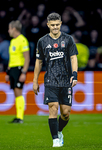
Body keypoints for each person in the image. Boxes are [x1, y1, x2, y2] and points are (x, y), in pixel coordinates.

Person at [33, 12, 78, 147]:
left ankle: (59, 131)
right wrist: (35, 81)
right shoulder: (42, 41)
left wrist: (74, 74)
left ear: (61, 24)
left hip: (66, 81)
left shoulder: (68, 39)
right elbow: (39, 62)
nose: (55, 27)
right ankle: (55, 140)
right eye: (52, 25)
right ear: (48, 25)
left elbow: (73, 57)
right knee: (53, 107)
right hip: (50, 80)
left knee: (65, 114)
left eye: (57, 25)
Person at [5, 20, 30, 123]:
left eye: (9, 28)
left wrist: (24, 72)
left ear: (14, 29)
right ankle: (18, 116)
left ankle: (20, 117)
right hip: (13, 69)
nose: (8, 31)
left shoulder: (22, 40)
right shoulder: (12, 41)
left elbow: (27, 58)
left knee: (18, 92)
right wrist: (7, 72)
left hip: (19, 69)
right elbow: (11, 58)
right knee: (16, 93)